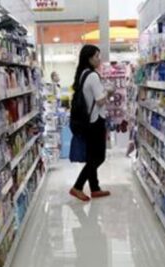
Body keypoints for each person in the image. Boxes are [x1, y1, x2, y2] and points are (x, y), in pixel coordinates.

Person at [69, 45, 110, 202]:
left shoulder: (82, 74)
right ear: (89, 58)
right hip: (96, 120)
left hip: (88, 121)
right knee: (98, 157)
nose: (99, 59)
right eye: (97, 56)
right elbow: (100, 100)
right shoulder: (93, 76)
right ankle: (77, 186)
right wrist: (109, 92)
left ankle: (95, 188)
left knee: (92, 156)